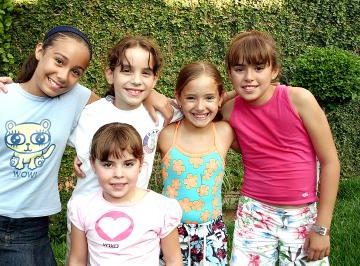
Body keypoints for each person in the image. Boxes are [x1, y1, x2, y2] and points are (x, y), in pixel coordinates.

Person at [0, 25, 95, 265]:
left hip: (32, 230)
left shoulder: (78, 98)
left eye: (76, 71)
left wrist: (155, 96)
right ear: (40, 51)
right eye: (59, 61)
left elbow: (121, 104)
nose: (63, 76)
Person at [221, 30, 340, 265]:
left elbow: (330, 162)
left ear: (274, 71)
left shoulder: (299, 99)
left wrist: (322, 228)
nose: (248, 77)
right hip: (254, 213)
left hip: (302, 215)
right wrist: (229, 94)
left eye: (258, 68)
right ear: (229, 73)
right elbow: (200, 104)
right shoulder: (228, 111)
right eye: (239, 69)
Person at [68, 122, 183, 265]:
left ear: (140, 163)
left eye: (128, 164)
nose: (118, 174)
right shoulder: (82, 207)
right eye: (108, 165)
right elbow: (77, 260)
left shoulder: (161, 208)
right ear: (93, 164)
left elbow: (174, 261)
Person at [158, 61, 235, 265]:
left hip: (212, 234)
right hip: (171, 232)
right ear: (178, 98)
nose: (200, 107)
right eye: (191, 98)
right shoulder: (165, 135)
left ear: (220, 98)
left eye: (209, 97)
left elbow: (247, 100)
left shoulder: (224, 132)